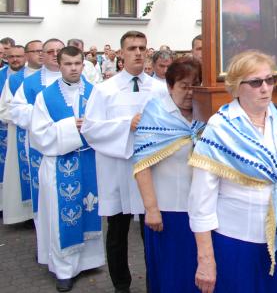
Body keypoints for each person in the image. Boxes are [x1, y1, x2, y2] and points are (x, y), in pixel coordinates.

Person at [188, 50, 277, 292]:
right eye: (256, 82)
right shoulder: (220, 127)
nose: (265, 88)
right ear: (236, 87)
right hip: (239, 242)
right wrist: (205, 260)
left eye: (270, 80)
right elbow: (201, 201)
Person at [82, 30, 166, 293]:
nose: (138, 53)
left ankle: (155, 282)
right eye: (132, 48)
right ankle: (121, 285)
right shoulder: (104, 90)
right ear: (121, 54)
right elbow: (90, 129)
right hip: (117, 169)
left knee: (151, 231)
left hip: (152, 169)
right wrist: (125, 126)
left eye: (142, 48)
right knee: (117, 232)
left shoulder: (160, 89)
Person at [29, 46, 104, 292]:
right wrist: (71, 126)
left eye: (77, 63)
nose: (73, 68)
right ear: (59, 65)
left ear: (84, 64)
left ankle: (89, 261)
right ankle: (64, 270)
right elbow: (38, 135)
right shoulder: (46, 96)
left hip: (89, 161)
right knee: (61, 217)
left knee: (90, 209)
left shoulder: (95, 92)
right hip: (59, 164)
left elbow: (105, 126)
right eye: (68, 64)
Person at [132, 57, 204, 293]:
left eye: (196, 86)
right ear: (170, 86)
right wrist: (151, 209)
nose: (190, 92)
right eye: (184, 86)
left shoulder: (207, 115)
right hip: (168, 212)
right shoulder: (156, 114)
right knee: (172, 273)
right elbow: (142, 164)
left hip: (204, 210)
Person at [10, 38, 64, 223]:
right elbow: (16, 110)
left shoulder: (79, 80)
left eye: (59, 51)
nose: (55, 55)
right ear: (43, 55)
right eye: (50, 52)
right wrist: (43, 115)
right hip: (40, 147)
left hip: (72, 146)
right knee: (45, 195)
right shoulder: (30, 83)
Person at [0, 40, 42, 224]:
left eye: (42, 51)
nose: (40, 54)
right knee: (20, 176)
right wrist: (29, 115)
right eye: (36, 51)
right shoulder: (15, 80)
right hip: (21, 133)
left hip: (45, 136)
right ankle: (26, 215)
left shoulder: (51, 76)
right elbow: (4, 109)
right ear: (27, 55)